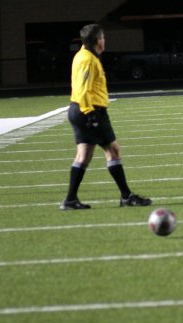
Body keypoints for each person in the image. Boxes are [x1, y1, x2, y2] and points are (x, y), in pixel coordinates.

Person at [60, 23, 152, 210]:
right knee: (113, 150)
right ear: (97, 41)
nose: (104, 41)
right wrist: (91, 115)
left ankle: (70, 200)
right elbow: (83, 89)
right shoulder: (88, 60)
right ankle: (126, 197)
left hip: (79, 109)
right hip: (89, 110)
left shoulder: (82, 56)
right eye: (103, 37)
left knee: (83, 154)